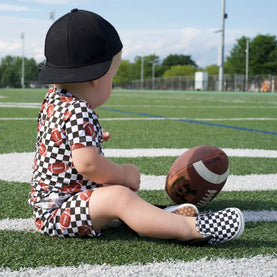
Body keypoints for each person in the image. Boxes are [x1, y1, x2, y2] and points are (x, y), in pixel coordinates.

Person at [29, 9, 244, 245]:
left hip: (60, 200)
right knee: (120, 195)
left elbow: (58, 138)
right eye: (114, 74)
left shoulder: (54, 97)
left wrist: (91, 139)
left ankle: (152, 220)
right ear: (96, 77)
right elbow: (88, 164)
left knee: (117, 191)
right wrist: (124, 173)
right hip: (60, 213)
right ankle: (189, 229)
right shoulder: (80, 109)